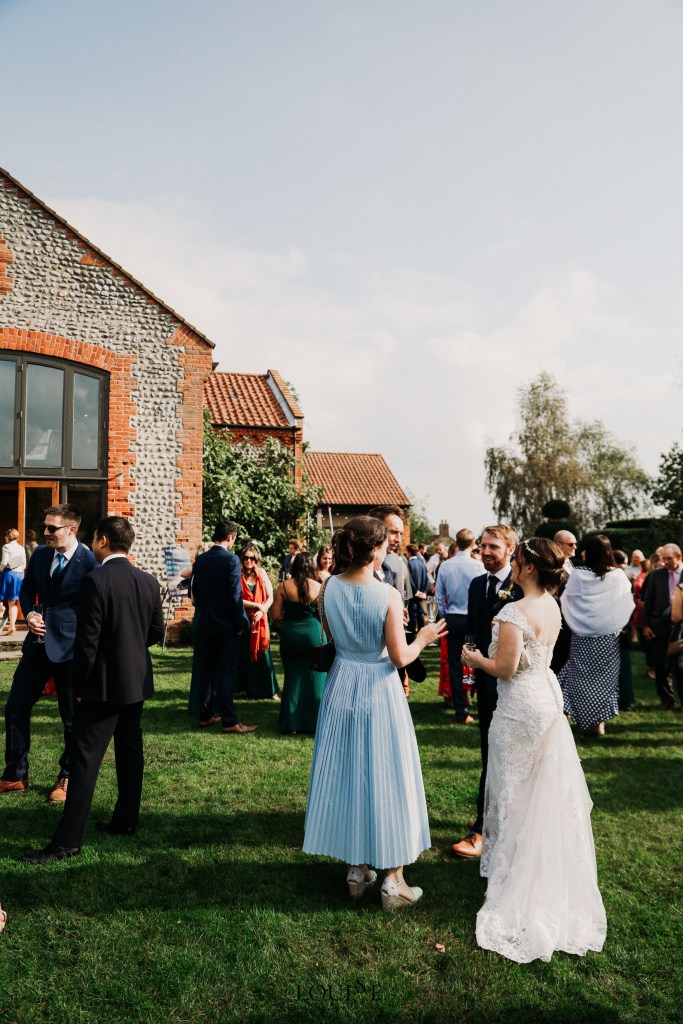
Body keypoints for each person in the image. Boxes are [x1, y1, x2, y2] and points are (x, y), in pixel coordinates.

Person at [461, 538, 606, 963]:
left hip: (518, 709)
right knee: (537, 789)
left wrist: (474, 659)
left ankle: (513, 878)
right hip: (545, 699)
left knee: (511, 788)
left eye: (516, 559)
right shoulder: (552, 606)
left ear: (526, 568)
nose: (512, 564)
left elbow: (505, 668)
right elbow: (536, 657)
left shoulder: (514, 612)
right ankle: (536, 866)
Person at [302, 517, 446, 911]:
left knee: (348, 772)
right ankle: (393, 881)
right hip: (378, 688)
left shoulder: (328, 587)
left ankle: (356, 870)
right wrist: (423, 637)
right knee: (388, 774)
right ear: (376, 551)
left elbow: (333, 635)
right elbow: (400, 657)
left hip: (341, 682)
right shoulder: (387, 594)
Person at [20, 516, 164, 864]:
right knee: (130, 751)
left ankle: (67, 842)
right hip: (136, 681)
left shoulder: (95, 580)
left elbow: (88, 641)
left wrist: (79, 686)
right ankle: (126, 819)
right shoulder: (148, 581)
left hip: (101, 685)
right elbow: (156, 631)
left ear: (102, 540)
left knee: (84, 761)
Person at [0, 504, 96, 802]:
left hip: (70, 650)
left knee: (72, 718)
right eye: (45, 526)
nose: (45, 532)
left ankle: (68, 775)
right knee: (15, 707)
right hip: (37, 646)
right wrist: (29, 614)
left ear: (72, 530)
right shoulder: (41, 554)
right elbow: (27, 590)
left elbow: (94, 608)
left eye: (51, 528)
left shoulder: (89, 561)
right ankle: (15, 774)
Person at [451, 525, 519, 859]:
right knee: (488, 753)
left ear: (510, 550)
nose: (486, 552)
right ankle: (490, 814)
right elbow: (473, 629)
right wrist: (471, 661)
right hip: (485, 683)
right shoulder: (478, 584)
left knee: (506, 757)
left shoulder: (520, 588)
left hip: (513, 686)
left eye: (494, 547)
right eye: (483, 546)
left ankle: (484, 827)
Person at [559, 535, 634, 734]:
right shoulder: (618, 576)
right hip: (607, 637)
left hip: (582, 635)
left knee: (579, 679)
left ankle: (577, 716)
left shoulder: (578, 574)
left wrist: (580, 620)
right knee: (604, 681)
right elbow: (625, 601)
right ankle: (599, 721)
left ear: (588, 552)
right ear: (609, 552)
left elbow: (568, 600)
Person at [190, 521, 256, 735]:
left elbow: (196, 591)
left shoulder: (201, 559)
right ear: (230, 538)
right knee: (226, 672)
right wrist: (241, 623)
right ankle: (229, 720)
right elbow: (235, 595)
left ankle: (205, 715)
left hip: (205, 623)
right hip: (226, 626)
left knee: (206, 671)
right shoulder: (231, 560)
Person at [436, 528, 486, 724]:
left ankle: (461, 710)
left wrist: (444, 615)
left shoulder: (445, 566)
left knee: (455, 666)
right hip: (472, 619)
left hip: (453, 618)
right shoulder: (478, 566)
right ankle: (476, 703)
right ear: (473, 544)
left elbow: (439, 596)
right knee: (476, 663)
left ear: (456, 543)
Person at [272, 553, 326, 733]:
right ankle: (315, 721)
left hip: (291, 635)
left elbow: (276, 615)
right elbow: (323, 615)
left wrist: (291, 616)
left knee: (292, 677)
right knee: (315, 678)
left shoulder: (283, 587)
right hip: (313, 634)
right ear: (312, 567)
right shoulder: (319, 587)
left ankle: (291, 723)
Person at [642, 543, 683, 710]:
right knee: (660, 666)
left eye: (669, 559)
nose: (665, 562)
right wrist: (646, 625)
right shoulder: (656, 575)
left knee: (681, 667)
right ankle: (667, 701)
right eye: (663, 559)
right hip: (659, 627)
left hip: (681, 628)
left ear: (679, 557)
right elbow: (648, 601)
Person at [237, 545, 279, 701]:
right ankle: (249, 688)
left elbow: (270, 597)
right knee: (245, 653)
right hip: (244, 619)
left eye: (252, 558)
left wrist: (262, 611)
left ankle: (270, 690)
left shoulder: (262, 574)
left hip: (260, 620)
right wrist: (256, 605)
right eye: (246, 558)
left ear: (256, 560)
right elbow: (236, 599)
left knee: (263, 652)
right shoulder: (238, 575)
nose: (249, 561)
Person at [0, 528, 26, 635]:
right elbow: (24, 564)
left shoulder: (6, 546)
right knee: (13, 602)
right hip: (18, 575)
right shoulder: (21, 548)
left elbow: (4, 562)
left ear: (8, 536)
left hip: (8, 573)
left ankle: (1, 608)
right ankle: (12, 626)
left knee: (1, 596)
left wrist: (0, 569)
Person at [406, 544, 428, 633]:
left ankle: (412, 636)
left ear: (409, 552)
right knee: (420, 614)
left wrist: (416, 592)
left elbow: (409, 580)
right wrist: (424, 592)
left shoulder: (409, 564)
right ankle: (422, 633)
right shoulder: (422, 563)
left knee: (412, 616)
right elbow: (426, 579)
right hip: (421, 594)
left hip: (413, 594)